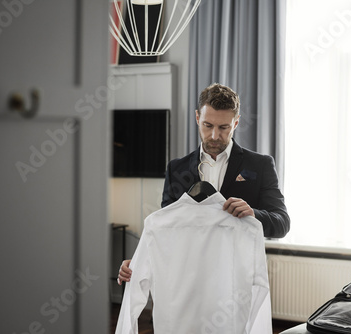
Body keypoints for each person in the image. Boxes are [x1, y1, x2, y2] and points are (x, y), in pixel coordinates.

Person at [117, 83, 290, 285]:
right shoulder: (177, 169)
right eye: (208, 125)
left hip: (238, 280)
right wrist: (138, 261)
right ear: (198, 118)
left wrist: (252, 213)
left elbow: (282, 224)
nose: (215, 136)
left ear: (235, 123)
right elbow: (165, 230)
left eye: (224, 127)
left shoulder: (261, 165)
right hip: (188, 280)